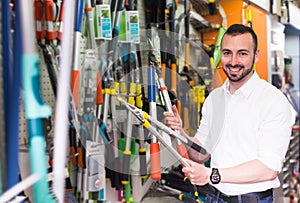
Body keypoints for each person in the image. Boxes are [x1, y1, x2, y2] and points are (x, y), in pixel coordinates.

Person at [163, 24, 296, 203]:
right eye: (227, 53)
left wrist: (212, 175)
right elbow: (201, 154)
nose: (233, 61)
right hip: (215, 197)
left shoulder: (273, 101)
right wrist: (179, 133)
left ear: (256, 55)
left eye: (242, 53)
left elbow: (268, 168)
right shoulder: (215, 99)